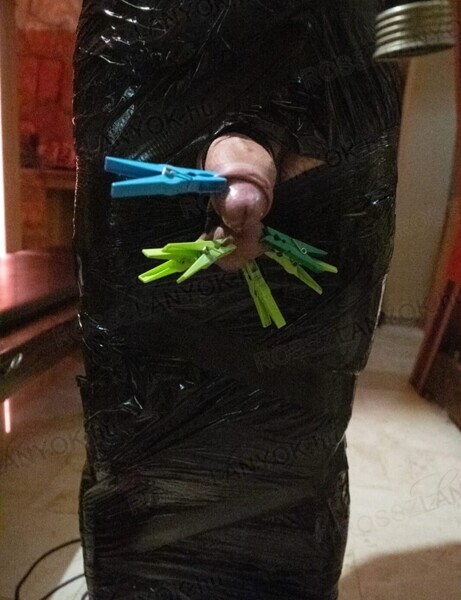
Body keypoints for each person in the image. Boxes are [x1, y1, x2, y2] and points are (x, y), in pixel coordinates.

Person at [73, 1, 402, 598]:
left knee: (286, 431)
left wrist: (260, 142)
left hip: (327, 160)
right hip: (170, 161)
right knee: (146, 420)